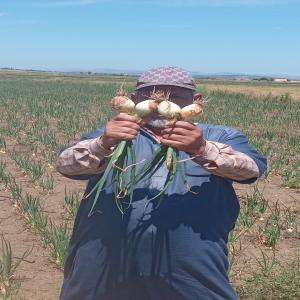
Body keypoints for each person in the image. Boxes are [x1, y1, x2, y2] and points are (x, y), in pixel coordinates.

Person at [56, 66, 267, 300]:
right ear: (134, 100)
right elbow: (65, 165)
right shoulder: (113, 134)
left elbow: (251, 169)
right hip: (104, 261)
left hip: (190, 266)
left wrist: (201, 149)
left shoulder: (220, 136)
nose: (159, 105)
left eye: (174, 96)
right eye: (150, 96)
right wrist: (102, 143)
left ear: (194, 101)